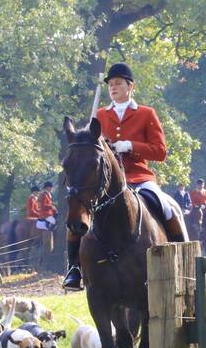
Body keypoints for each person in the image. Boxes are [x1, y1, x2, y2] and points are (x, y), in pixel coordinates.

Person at [63, 62, 187, 290]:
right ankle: (74, 269)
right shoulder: (99, 115)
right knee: (78, 212)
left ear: (130, 87)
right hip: (105, 184)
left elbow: (160, 152)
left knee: (169, 208)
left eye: (118, 83)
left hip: (139, 178)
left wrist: (130, 145)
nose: (113, 87)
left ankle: (184, 264)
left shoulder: (146, 114)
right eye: (110, 84)